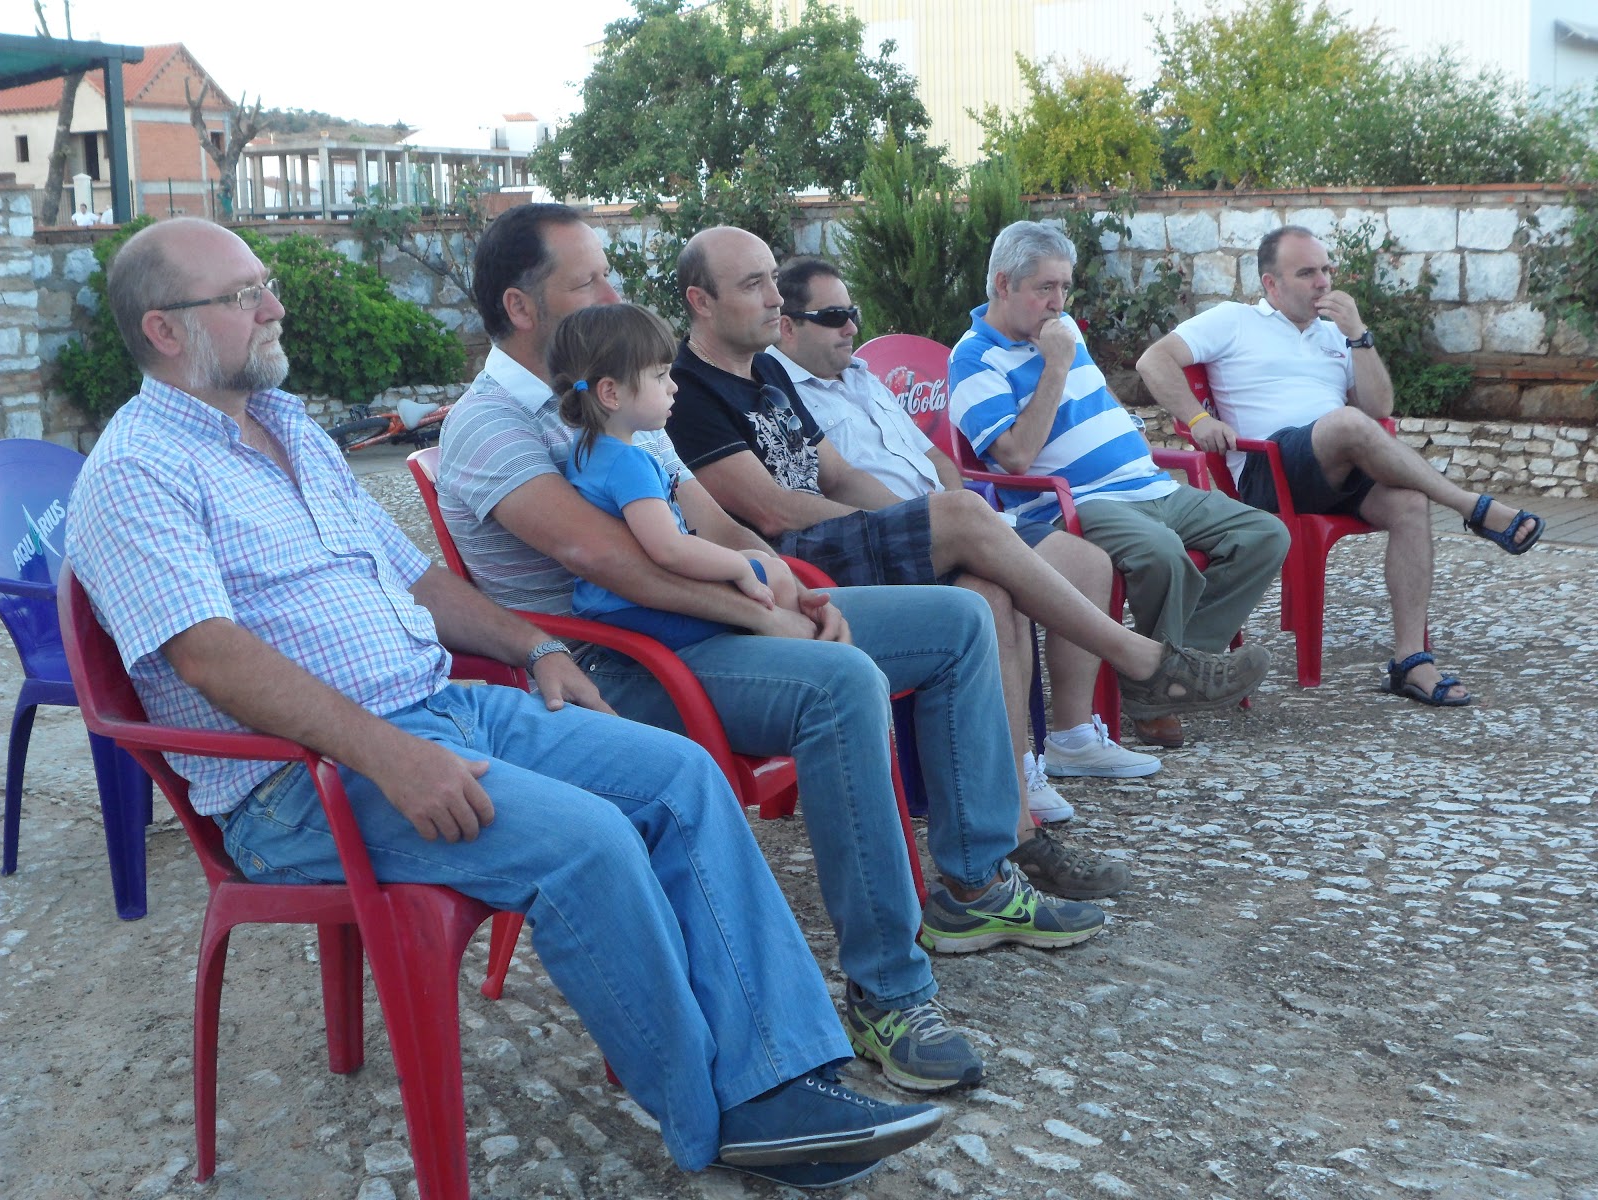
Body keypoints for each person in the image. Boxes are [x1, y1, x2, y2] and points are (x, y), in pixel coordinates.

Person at [64, 216, 944, 1191]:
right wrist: (388, 756)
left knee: (683, 779)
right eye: (243, 296)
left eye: (265, 284)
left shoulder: (290, 429)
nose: (274, 306)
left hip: (440, 711)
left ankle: (782, 1074)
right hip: (306, 782)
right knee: (590, 841)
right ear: (165, 330)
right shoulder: (136, 469)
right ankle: (724, 1116)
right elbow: (207, 654)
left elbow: (413, 576)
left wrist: (536, 647)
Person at [437, 204, 1105, 1102]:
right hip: (612, 669)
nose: (613, 289)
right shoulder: (490, 424)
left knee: (957, 621)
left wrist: (785, 583)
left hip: (707, 625)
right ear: (522, 307)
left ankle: (975, 884)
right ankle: (889, 993)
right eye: (589, 279)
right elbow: (611, 562)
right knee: (839, 683)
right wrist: (760, 615)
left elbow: (712, 522)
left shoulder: (616, 386)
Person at [665, 225, 1269, 769]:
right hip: (791, 561)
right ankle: (1145, 663)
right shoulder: (689, 392)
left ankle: (1036, 767)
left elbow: (841, 475)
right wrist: (925, 521)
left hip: (842, 530)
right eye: (754, 284)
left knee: (1052, 568)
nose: (774, 298)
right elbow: (770, 511)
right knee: (965, 518)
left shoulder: (766, 373)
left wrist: (913, 519)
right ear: (701, 301)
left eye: (774, 280)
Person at [770, 254, 1163, 808]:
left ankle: (1072, 737)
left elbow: (933, 454)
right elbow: (829, 487)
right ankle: (1015, 769)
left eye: (852, 313)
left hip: (949, 519)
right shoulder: (780, 390)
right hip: (883, 536)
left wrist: (954, 505)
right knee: (994, 593)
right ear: (788, 327)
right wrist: (929, 520)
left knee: (1087, 562)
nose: (852, 327)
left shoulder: (860, 374)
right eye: (834, 317)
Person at [1137, 224, 1544, 707]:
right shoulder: (1233, 320)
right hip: (1271, 471)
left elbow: (1380, 408)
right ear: (1271, 283)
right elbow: (1153, 361)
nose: (1323, 282)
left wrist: (1358, 336)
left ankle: (1411, 662)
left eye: (1326, 270)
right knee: (1346, 423)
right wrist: (1198, 418)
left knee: (1409, 504)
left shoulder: (1335, 334)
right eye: (1307, 273)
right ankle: (1472, 507)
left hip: (1337, 465)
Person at [947, 222, 1289, 749]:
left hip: (1148, 484)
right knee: (1162, 554)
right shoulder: (973, 357)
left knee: (1266, 534)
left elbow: (1096, 399)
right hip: (1074, 502)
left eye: (1065, 287)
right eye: (1045, 288)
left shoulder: (1063, 330)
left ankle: (1163, 676)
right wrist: (1054, 366)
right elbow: (1014, 458)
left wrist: (1126, 427)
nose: (1058, 303)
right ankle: (1164, 685)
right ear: (1003, 284)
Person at [552, 302, 801, 647]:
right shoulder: (628, 464)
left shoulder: (586, 448)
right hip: (639, 617)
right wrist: (740, 568)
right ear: (611, 393)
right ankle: (804, 657)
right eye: (660, 376)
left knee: (761, 561)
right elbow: (669, 549)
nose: (673, 387)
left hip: (614, 610)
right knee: (775, 574)